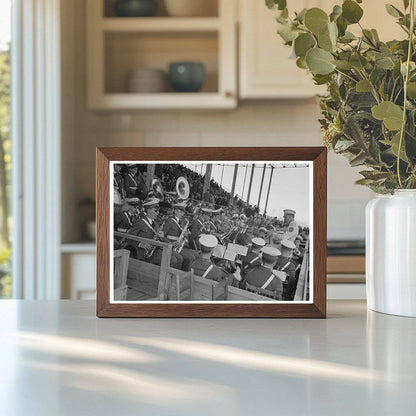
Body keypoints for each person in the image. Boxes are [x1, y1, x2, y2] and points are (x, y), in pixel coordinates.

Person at [128, 198, 182, 269]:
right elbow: (128, 238)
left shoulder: (156, 224)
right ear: (148, 210)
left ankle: (169, 277)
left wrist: (171, 243)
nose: (158, 213)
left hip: (156, 250)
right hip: (144, 253)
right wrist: (140, 244)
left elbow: (160, 239)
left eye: (158, 211)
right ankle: (161, 277)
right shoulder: (139, 222)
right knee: (173, 260)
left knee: (179, 258)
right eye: (156, 211)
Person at [162, 201, 197, 271]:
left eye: (183, 212)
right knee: (189, 257)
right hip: (171, 246)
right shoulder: (170, 221)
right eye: (181, 211)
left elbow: (182, 236)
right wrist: (171, 244)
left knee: (194, 255)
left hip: (178, 246)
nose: (183, 213)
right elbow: (162, 236)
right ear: (175, 211)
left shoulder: (181, 222)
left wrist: (186, 235)